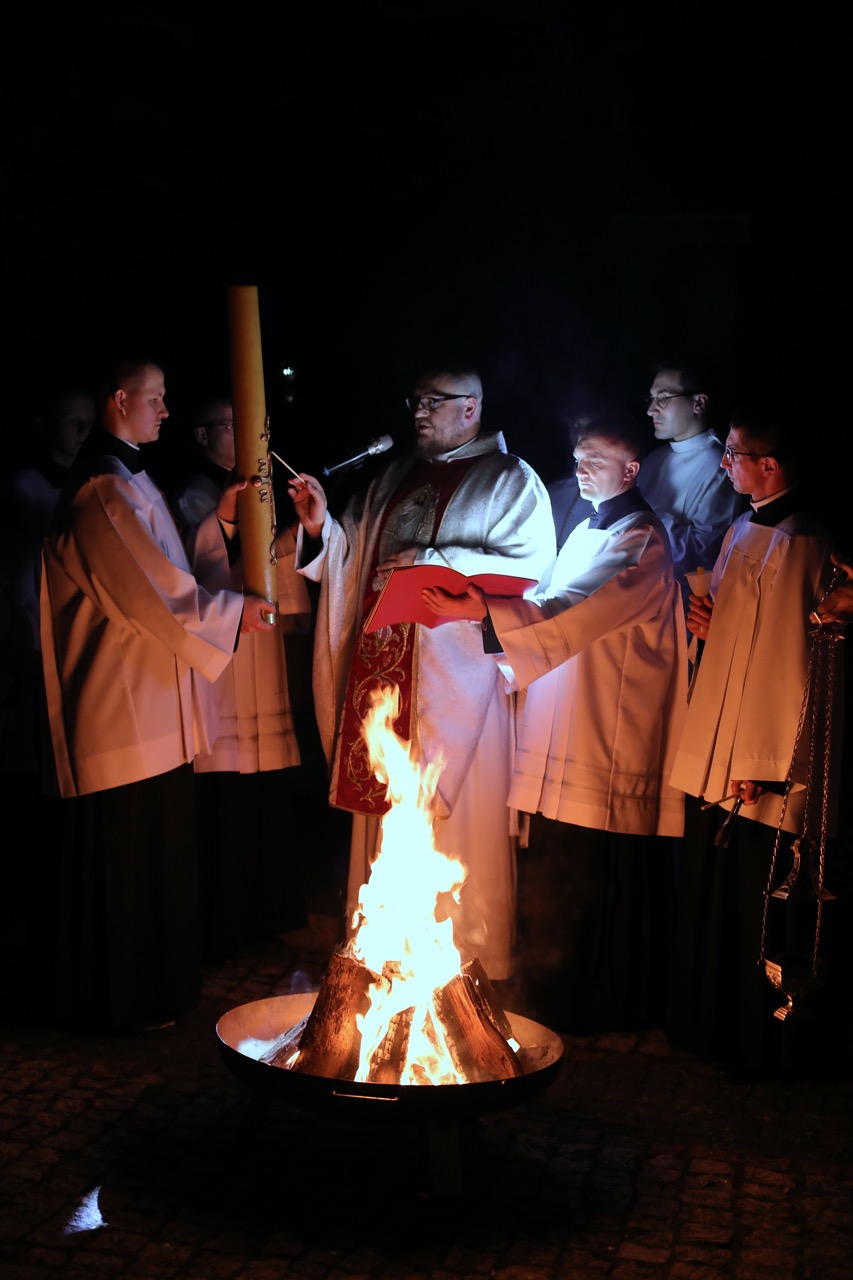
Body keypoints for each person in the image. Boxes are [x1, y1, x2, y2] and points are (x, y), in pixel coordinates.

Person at [289, 366, 555, 979]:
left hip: (460, 687)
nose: (419, 412)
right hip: (385, 680)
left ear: (471, 408)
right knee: (387, 807)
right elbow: (352, 559)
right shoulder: (393, 476)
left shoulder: (511, 480)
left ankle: (465, 960)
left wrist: (431, 560)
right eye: (416, 400)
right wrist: (320, 528)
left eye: (434, 402)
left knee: (459, 831)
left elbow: (531, 570)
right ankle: (381, 951)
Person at [424, 414, 688, 1030]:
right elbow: (552, 608)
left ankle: (602, 1005)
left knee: (597, 872)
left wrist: (488, 610)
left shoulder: (641, 539)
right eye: (578, 458)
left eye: (595, 460)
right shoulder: (589, 531)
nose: (580, 469)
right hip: (568, 717)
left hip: (607, 730)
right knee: (562, 865)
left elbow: (577, 609)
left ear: (631, 470)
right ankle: (555, 992)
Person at [40, 359, 274, 1032]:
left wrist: (219, 525)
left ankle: (152, 992)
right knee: (127, 862)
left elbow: (171, 571)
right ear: (120, 399)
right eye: (156, 399)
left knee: (153, 858)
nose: (166, 411)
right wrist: (235, 614)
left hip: (149, 706)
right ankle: (118, 1000)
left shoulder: (130, 480)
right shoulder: (101, 488)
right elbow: (153, 595)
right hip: (120, 707)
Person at [666, 405, 841, 1076]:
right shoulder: (743, 527)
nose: (723, 463)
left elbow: (787, 664)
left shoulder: (801, 539)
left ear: (768, 464)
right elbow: (741, 637)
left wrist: (762, 763)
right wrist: (708, 624)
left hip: (762, 759)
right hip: (726, 740)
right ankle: (707, 1024)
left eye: (733, 453)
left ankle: (754, 1040)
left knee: (757, 895)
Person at [172, 397, 306, 958]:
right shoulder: (191, 494)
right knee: (225, 793)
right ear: (203, 437)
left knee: (263, 788)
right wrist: (229, 524)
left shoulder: (265, 488)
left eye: (250, 423)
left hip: (262, 649)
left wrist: (301, 532)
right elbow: (188, 570)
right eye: (229, 425)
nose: (244, 433)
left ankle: (261, 912)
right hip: (223, 652)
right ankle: (222, 922)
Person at [639, 359, 746, 602]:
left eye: (663, 398)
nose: (651, 410)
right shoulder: (653, 460)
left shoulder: (720, 466)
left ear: (698, 403)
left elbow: (702, 554)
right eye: (651, 399)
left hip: (677, 603)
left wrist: (642, 516)